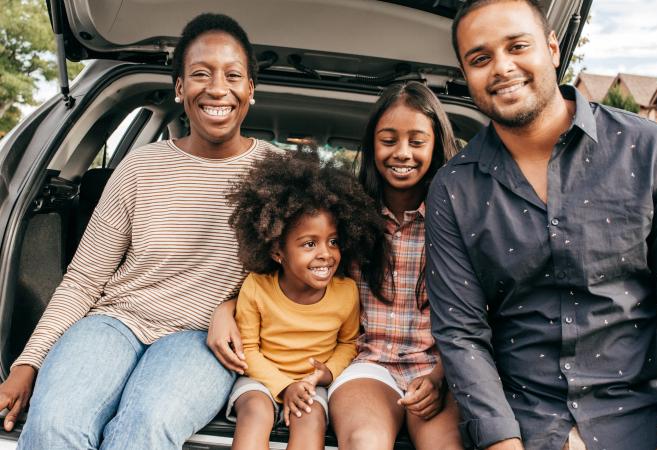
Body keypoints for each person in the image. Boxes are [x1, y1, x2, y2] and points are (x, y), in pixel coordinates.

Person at [424, 1, 657, 450]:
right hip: (519, 422)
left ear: (552, 48)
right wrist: (501, 441)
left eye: (517, 46)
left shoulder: (651, 150)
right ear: (467, 75)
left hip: (641, 418)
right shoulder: (452, 189)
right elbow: (460, 330)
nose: (502, 68)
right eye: (480, 59)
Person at [0, 13, 277, 449]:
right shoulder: (140, 166)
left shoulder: (278, 175)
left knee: (142, 430)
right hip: (115, 321)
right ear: (181, 88)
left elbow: (294, 277)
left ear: (250, 90)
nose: (218, 88)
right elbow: (85, 277)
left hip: (202, 337)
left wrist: (231, 306)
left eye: (233, 75)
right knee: (53, 426)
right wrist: (27, 363)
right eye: (200, 74)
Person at [328, 81, 463, 450]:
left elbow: (476, 317)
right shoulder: (345, 216)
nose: (402, 153)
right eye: (389, 140)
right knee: (364, 442)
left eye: (417, 142)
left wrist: (439, 377)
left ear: (435, 146)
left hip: (441, 370)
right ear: (372, 145)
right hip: (368, 365)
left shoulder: (460, 220)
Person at [224, 150, 385, 450]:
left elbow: (348, 343)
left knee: (311, 419)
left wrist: (328, 373)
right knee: (255, 414)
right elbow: (248, 350)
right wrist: (285, 387)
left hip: (312, 385)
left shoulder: (346, 292)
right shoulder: (257, 288)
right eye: (309, 244)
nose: (325, 253)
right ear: (277, 252)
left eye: (333, 241)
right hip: (261, 380)